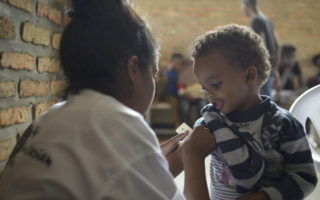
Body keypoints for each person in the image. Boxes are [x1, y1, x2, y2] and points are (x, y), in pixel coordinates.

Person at [0, 0, 216, 199]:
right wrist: (193, 157)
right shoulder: (118, 123)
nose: (153, 81)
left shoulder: (52, 116)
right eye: (153, 73)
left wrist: (150, 161)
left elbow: (109, 178)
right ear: (133, 68)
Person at [191, 24, 317, 200]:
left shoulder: (283, 125)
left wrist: (265, 197)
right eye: (204, 88)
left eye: (215, 84)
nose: (209, 95)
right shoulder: (211, 122)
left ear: (249, 75)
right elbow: (184, 156)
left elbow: (305, 178)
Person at [242, 0, 280, 97]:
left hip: (262, 71)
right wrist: (275, 69)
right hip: (270, 69)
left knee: (263, 105)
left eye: (243, 5)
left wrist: (258, 73)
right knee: (268, 103)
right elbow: (277, 45)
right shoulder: (267, 20)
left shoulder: (256, 20)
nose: (243, 9)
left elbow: (259, 45)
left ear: (247, 4)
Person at [178, 57, 207, 126]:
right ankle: (186, 131)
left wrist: (199, 94)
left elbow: (205, 87)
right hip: (186, 96)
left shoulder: (201, 71)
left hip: (199, 96)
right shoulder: (182, 72)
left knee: (203, 107)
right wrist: (186, 94)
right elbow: (180, 89)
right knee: (184, 109)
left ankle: (201, 128)